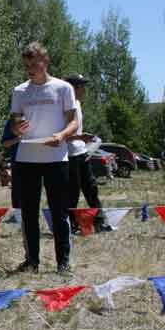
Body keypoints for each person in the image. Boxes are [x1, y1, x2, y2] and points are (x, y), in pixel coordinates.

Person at [9, 42, 78, 274]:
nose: (29, 69)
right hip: (26, 157)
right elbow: (14, 120)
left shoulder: (63, 88)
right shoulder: (19, 91)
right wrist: (17, 127)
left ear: (45, 62)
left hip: (56, 158)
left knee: (59, 212)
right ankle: (32, 262)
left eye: (34, 65)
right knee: (29, 212)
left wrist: (61, 135)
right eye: (26, 65)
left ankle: (63, 262)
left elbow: (73, 121)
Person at [63, 73, 108, 233]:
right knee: (72, 193)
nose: (84, 89)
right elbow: (60, 134)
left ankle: (100, 221)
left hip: (82, 152)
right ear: (73, 88)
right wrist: (79, 136)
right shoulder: (63, 105)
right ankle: (71, 224)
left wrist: (83, 137)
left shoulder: (78, 103)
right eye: (82, 86)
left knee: (91, 188)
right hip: (69, 154)